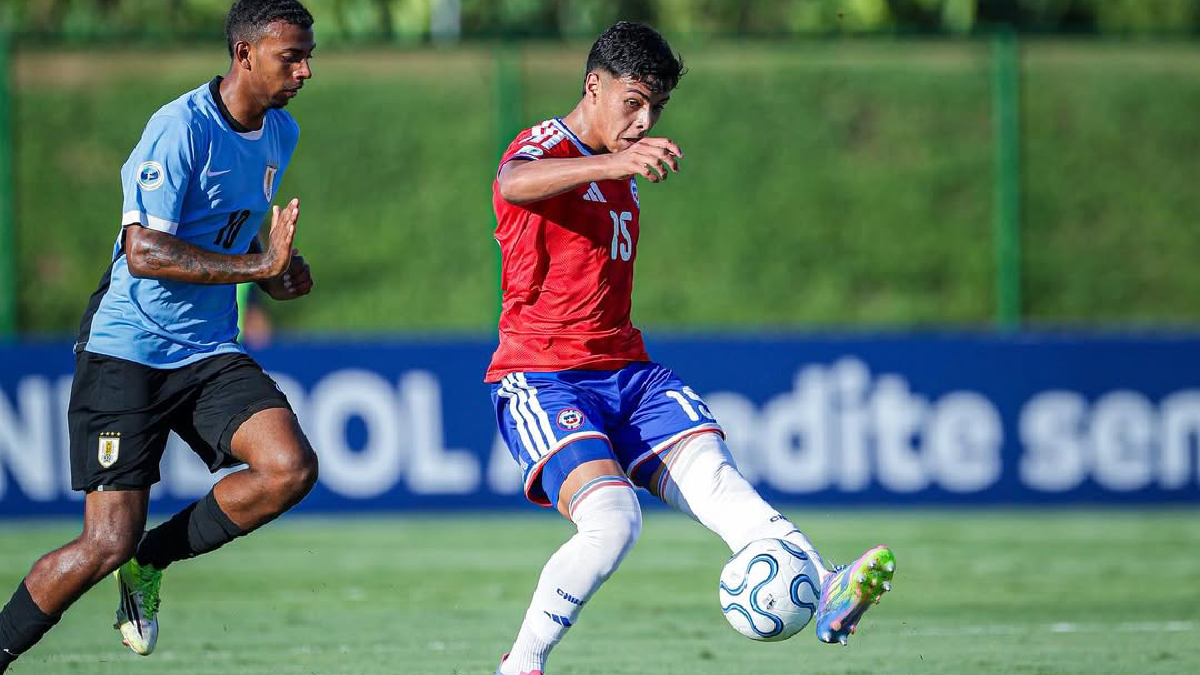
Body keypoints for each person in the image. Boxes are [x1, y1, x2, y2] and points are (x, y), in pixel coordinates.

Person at [485, 21, 895, 675]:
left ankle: (826, 587)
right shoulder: (551, 145)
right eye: (633, 102)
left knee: (717, 478)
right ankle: (522, 664)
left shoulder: (623, 168)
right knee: (614, 521)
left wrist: (618, 164)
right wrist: (612, 161)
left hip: (628, 371)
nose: (644, 121)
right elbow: (512, 181)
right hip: (544, 375)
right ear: (594, 86)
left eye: (657, 108)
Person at [0, 1, 317, 670]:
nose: (306, 70)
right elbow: (142, 248)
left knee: (288, 468)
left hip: (206, 349)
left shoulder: (279, 132)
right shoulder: (178, 128)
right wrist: (256, 266)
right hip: (128, 349)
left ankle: (152, 562)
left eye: (307, 54)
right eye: (292, 55)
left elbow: (237, 225)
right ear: (244, 55)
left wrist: (275, 274)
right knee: (103, 542)